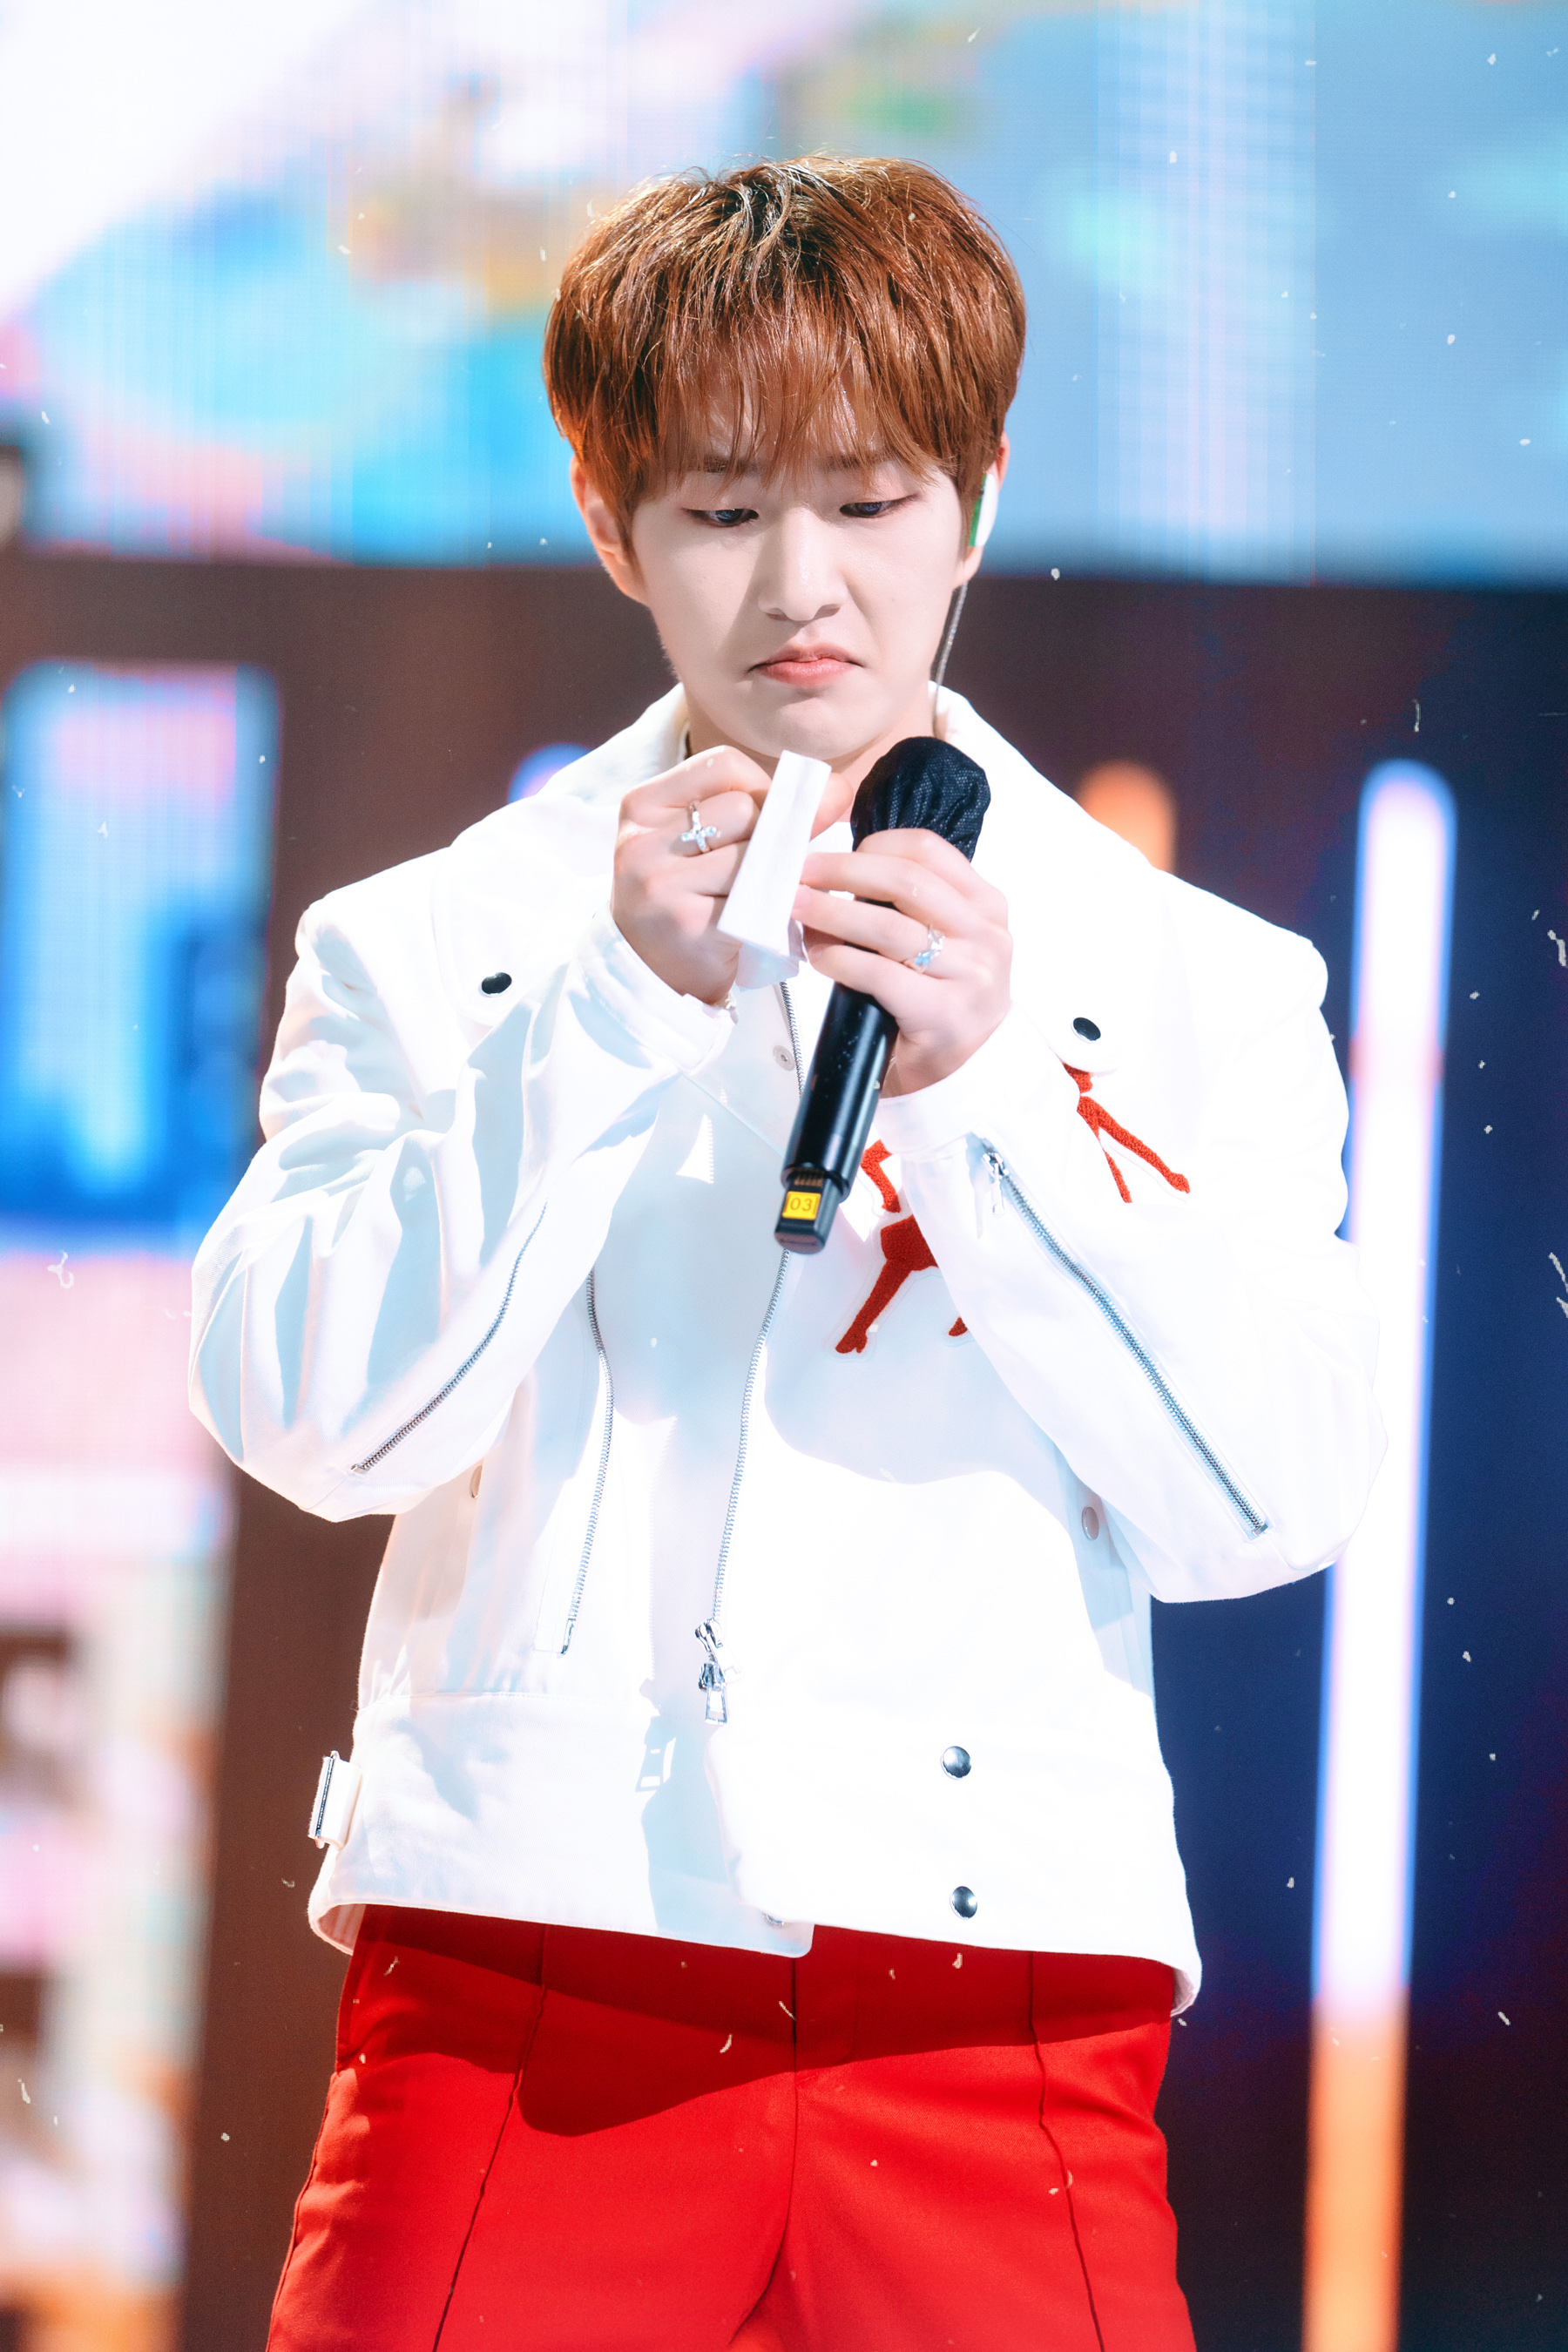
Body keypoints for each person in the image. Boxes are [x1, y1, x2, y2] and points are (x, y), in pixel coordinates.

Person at [191, 156, 1382, 2352]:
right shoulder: (438, 937)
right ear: (608, 518)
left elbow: (1265, 1506)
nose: (801, 586)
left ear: (980, 496)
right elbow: (313, 1420)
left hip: (1005, 1996)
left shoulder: (1197, 979)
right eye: (725, 509)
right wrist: (601, 1013)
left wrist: (989, 1089)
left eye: (870, 498)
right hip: (526, 1974)